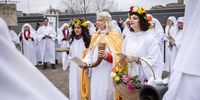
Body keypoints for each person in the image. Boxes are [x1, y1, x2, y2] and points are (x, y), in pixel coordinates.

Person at [0, 17, 68, 100]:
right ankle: (44, 65)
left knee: (51, 54)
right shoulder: (40, 29)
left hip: (49, 43)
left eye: (47, 21)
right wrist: (43, 36)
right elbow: (38, 36)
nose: (46, 22)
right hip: (43, 43)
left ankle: (53, 64)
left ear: (48, 22)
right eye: (44, 21)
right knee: (44, 55)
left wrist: (49, 36)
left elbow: (54, 35)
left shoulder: (51, 28)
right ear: (43, 22)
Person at [163, 0, 200, 99]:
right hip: (175, 53)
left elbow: (185, 44)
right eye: (178, 23)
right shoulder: (178, 32)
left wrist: (175, 43)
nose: (179, 25)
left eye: (181, 23)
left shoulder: (185, 33)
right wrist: (172, 44)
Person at [82, 12, 122, 100]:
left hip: (108, 72)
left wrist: (108, 56)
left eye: (100, 20)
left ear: (106, 22)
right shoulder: (95, 36)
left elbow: (120, 56)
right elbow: (90, 53)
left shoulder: (115, 36)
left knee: (107, 93)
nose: (97, 22)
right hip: (96, 71)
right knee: (96, 93)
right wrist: (85, 62)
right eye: (97, 20)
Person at [122, 5, 163, 81]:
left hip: (144, 76)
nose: (131, 20)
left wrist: (137, 59)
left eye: (135, 18)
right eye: (130, 18)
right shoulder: (128, 38)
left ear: (141, 20)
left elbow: (155, 60)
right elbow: (124, 53)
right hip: (130, 76)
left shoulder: (150, 38)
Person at [66, 18, 91, 100]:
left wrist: (86, 64)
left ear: (82, 28)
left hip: (83, 66)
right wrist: (67, 51)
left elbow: (90, 53)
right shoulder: (72, 39)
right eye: (75, 28)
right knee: (74, 84)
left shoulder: (86, 40)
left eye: (78, 28)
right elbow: (71, 52)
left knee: (82, 84)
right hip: (73, 66)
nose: (76, 30)